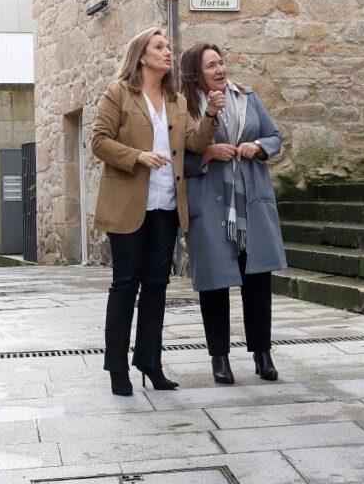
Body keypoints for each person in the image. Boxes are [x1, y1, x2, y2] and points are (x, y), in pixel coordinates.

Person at [91, 27, 224, 396]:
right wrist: (138, 157)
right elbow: (99, 141)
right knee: (124, 284)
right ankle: (117, 367)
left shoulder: (177, 100)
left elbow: (194, 143)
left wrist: (211, 115)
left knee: (156, 286)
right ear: (142, 55)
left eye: (168, 47)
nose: (168, 52)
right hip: (128, 206)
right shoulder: (119, 93)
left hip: (166, 205)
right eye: (159, 47)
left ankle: (150, 361)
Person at [179, 42, 287, 385]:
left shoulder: (247, 96)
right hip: (211, 204)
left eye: (221, 63)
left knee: (258, 279)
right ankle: (219, 358)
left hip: (251, 201)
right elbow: (177, 157)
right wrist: (207, 154)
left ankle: (262, 354)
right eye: (211, 66)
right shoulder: (185, 107)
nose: (220, 70)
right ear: (196, 73)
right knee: (214, 283)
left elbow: (274, 135)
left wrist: (257, 146)